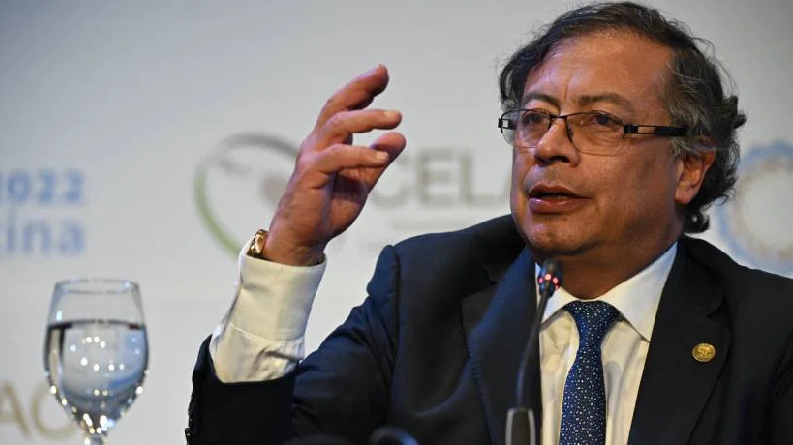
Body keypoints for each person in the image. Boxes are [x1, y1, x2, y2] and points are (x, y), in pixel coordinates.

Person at [186, 2, 793, 444]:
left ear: (689, 167)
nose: (548, 147)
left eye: (602, 121)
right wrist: (290, 251)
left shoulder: (771, 332)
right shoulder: (423, 290)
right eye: (535, 118)